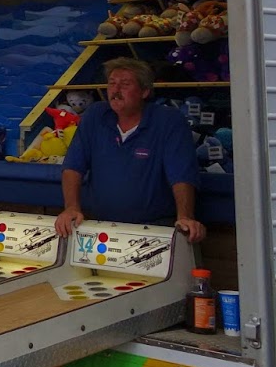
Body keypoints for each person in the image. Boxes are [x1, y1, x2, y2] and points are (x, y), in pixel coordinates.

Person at [58, 57, 205, 243]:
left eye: (125, 84)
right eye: (111, 84)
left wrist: (185, 217)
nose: (116, 91)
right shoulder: (95, 115)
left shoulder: (168, 121)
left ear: (144, 91)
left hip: (154, 229)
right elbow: (73, 166)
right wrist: (71, 207)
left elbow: (182, 174)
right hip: (98, 226)